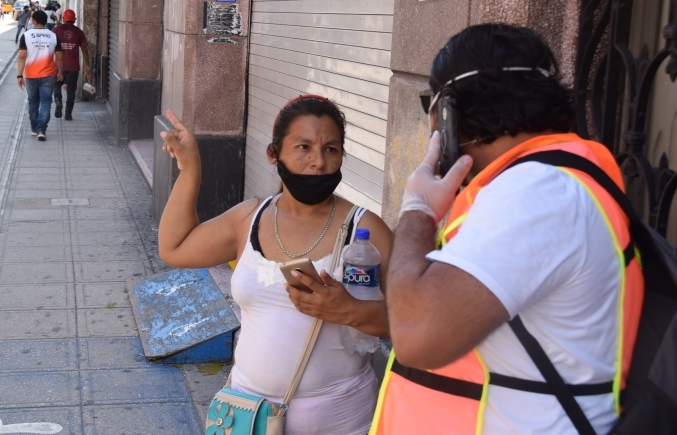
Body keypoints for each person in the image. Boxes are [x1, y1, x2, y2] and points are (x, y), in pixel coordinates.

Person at [371, 23, 645, 435]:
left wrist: (418, 210)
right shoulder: (541, 182)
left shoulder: (537, 193)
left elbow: (414, 334)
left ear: (449, 114)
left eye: (431, 107)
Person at [159, 96, 393, 435]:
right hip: (245, 418)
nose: (318, 162)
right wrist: (189, 168)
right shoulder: (248, 218)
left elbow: (412, 319)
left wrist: (349, 310)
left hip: (341, 421)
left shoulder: (365, 230)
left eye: (331, 149)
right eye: (303, 147)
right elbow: (174, 248)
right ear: (273, 154)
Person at [17, 10, 64, 141]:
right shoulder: (53, 36)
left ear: (34, 20)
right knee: (46, 102)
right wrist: (61, 72)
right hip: (48, 75)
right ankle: (41, 130)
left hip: (31, 75)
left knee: (33, 102)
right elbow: (60, 57)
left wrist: (19, 76)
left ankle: (34, 127)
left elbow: (21, 57)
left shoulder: (26, 36)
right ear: (45, 21)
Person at [52, 9, 90, 120]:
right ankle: (68, 114)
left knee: (57, 85)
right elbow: (84, 50)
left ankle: (58, 101)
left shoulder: (55, 30)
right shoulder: (79, 32)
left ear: (63, 19)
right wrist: (87, 65)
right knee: (71, 90)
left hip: (58, 66)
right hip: (73, 66)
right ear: (75, 19)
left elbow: (50, 48)